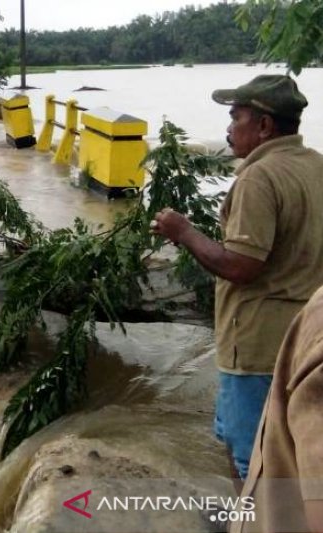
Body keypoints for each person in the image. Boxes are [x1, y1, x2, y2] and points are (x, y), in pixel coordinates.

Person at [150, 75, 323, 484]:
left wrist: (184, 232)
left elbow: (243, 267)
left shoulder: (259, 178)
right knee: (294, 455)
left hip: (258, 350)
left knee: (255, 466)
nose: (228, 129)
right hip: (308, 339)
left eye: (235, 117)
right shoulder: (315, 165)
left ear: (263, 126)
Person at [230, 285, 323, 533]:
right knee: (249, 450)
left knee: (252, 453)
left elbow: (241, 268)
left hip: (258, 349)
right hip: (255, 348)